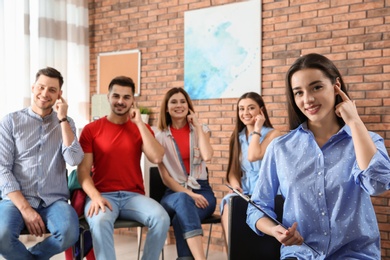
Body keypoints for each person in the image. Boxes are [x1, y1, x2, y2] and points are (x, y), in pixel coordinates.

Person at [246, 53, 390, 259]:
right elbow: (258, 206)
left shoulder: (367, 140)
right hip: (300, 255)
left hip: (354, 254)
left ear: (336, 85)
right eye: (298, 93)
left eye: (316, 87)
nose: (308, 99)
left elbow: (378, 185)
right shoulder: (280, 148)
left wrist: (355, 123)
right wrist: (275, 231)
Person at [77, 76, 170, 260]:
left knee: (161, 219)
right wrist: (95, 197)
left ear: (132, 100)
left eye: (126, 97)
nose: (121, 101)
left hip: (133, 196)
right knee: (100, 220)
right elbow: (83, 172)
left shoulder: (139, 128)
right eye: (116, 96)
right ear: (108, 97)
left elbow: (157, 156)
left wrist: (139, 124)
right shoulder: (91, 129)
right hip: (102, 195)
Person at [0, 67, 84, 259]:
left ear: (59, 95)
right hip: (16, 199)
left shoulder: (66, 123)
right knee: (1, 235)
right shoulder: (10, 122)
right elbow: (2, 169)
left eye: (52, 90)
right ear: (33, 87)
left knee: (69, 233)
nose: (45, 94)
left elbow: (74, 159)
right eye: (41, 87)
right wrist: (25, 208)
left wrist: (62, 118)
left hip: (54, 201)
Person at [155, 88, 216, 260]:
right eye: (173, 102)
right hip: (173, 193)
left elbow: (207, 155)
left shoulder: (202, 129)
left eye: (182, 101)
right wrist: (189, 194)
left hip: (202, 190)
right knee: (183, 200)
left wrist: (196, 126)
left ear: (188, 105)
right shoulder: (159, 138)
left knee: (180, 219)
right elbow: (166, 178)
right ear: (166, 108)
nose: (179, 105)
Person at [220, 92, 281, 248]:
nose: (245, 113)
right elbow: (233, 170)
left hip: (267, 191)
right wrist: (235, 186)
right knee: (228, 202)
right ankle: (232, 254)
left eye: (251, 108)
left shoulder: (273, 134)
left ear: (261, 110)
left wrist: (257, 128)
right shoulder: (237, 137)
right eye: (241, 109)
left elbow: (254, 155)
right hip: (245, 191)